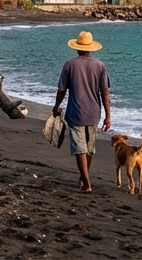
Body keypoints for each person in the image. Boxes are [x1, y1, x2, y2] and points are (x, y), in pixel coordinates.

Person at [52, 30, 112, 193]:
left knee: (80, 148)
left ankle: (86, 183)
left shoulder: (69, 64)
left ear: (76, 47)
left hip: (75, 112)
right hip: (94, 112)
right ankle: (83, 177)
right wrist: (108, 116)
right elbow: (105, 92)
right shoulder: (100, 65)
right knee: (89, 148)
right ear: (91, 48)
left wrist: (56, 106)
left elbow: (61, 90)